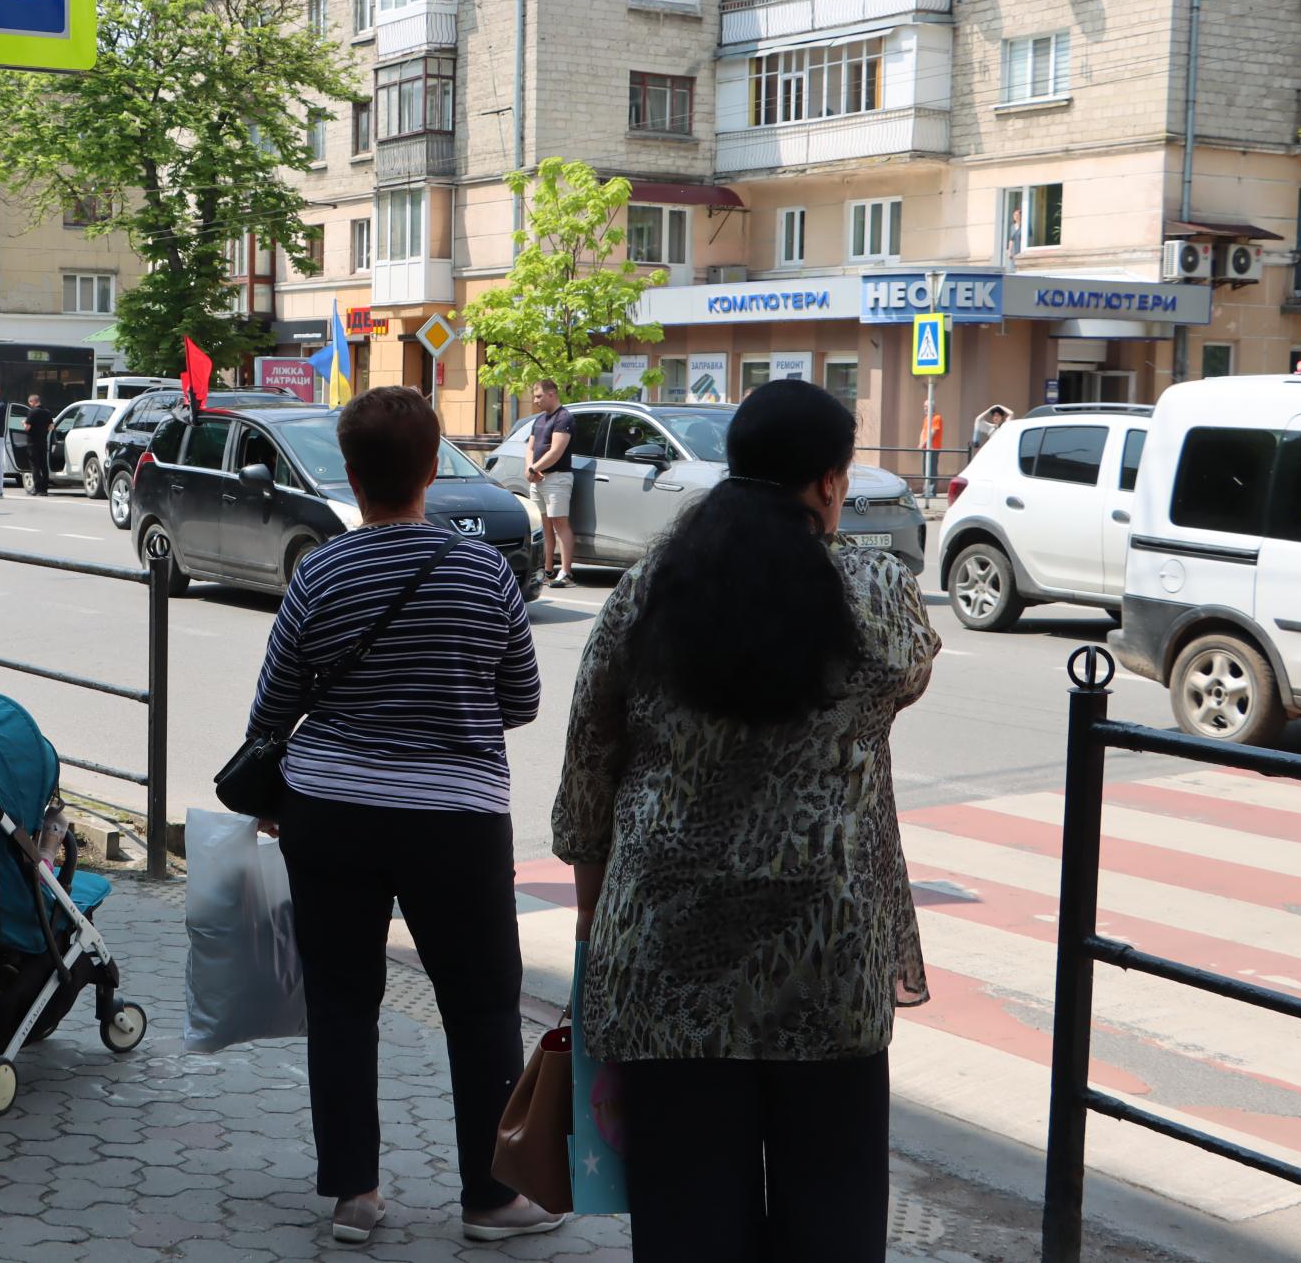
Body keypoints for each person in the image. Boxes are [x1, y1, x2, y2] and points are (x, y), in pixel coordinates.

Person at [552, 378, 940, 1262]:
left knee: (687, 1226)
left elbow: (588, 773)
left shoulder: (651, 588)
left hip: (662, 953)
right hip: (826, 959)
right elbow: (909, 672)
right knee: (831, 1220)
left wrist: (592, 921)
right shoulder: (876, 591)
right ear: (831, 481)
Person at [245, 386, 561, 1247]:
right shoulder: (483, 571)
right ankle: (491, 1198)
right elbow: (522, 698)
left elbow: (272, 707)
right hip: (456, 820)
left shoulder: (320, 572)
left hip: (330, 813)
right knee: (481, 1004)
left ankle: (354, 1194)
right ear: (432, 470)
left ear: (350, 475)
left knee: (342, 1002)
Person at [523, 380, 577, 588]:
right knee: (544, 525)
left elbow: (556, 451)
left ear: (551, 394)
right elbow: (530, 448)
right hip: (538, 480)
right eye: (534, 396)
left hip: (557, 479)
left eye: (539, 396)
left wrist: (533, 469)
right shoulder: (539, 419)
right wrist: (530, 469)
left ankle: (566, 573)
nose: (535, 400)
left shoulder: (564, 418)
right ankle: (547, 571)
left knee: (559, 523)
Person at [23, 394, 53, 496]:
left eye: (30, 403)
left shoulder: (32, 412)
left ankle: (37, 489)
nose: (30, 405)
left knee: (35, 466)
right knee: (44, 465)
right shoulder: (47, 412)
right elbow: (51, 426)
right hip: (43, 442)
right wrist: (44, 431)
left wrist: (23, 423)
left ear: (32, 402)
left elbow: (27, 427)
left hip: (32, 443)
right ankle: (44, 489)